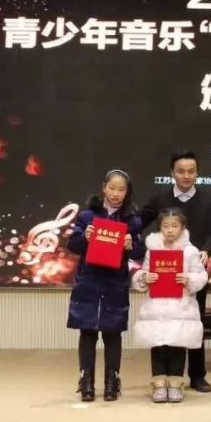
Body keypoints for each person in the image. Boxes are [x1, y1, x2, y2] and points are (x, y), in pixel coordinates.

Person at [141, 151, 211, 393]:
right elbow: (138, 224)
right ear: (172, 173)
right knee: (163, 324)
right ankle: (164, 376)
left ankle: (197, 375)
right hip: (163, 274)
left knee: (194, 322)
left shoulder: (208, 201)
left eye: (191, 171)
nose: (186, 176)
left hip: (192, 272)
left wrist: (206, 250)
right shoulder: (159, 200)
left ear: (197, 173)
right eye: (181, 171)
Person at [66, 169, 144, 402]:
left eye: (121, 189)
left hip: (114, 281)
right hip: (89, 279)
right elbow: (73, 245)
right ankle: (86, 380)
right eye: (112, 188)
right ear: (104, 188)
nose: (116, 194)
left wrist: (132, 245)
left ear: (127, 192)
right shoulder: (87, 216)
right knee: (87, 330)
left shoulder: (132, 219)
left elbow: (140, 252)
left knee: (112, 331)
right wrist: (85, 238)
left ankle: (112, 380)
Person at [131, 209, 208, 403]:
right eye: (165, 226)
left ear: (183, 228)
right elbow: (143, 272)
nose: (170, 230)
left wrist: (189, 279)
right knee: (158, 345)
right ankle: (158, 384)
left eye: (174, 226)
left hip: (181, 306)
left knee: (177, 344)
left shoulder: (190, 251)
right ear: (160, 227)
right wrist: (144, 278)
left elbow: (201, 275)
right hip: (156, 305)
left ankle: (175, 384)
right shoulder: (152, 250)